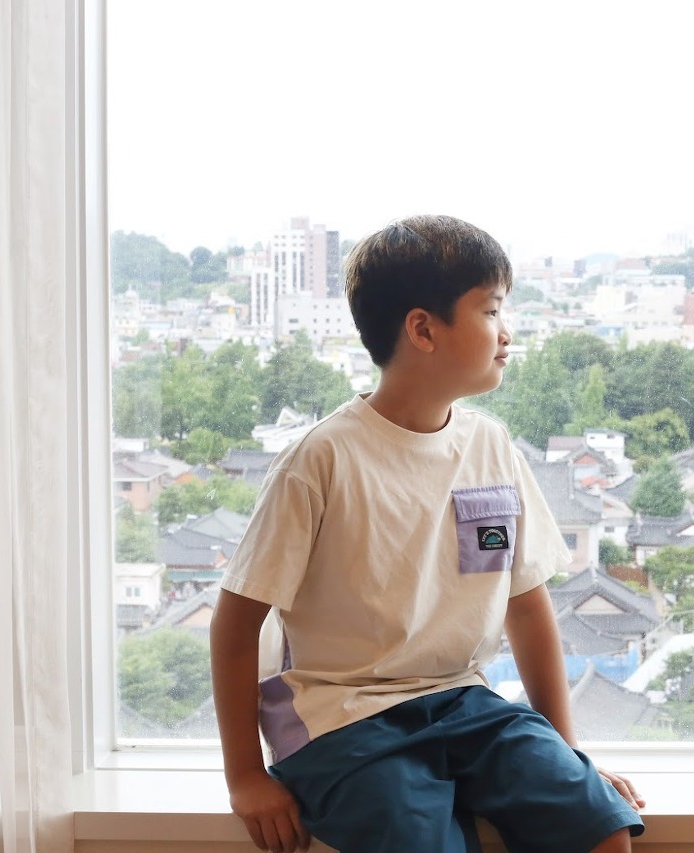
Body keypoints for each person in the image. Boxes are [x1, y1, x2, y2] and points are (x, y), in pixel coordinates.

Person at [210, 214, 646, 853]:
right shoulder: (322, 460)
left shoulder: (490, 446)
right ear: (422, 329)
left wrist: (566, 755)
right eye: (491, 311)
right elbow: (235, 622)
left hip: (463, 702)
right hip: (341, 717)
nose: (507, 332)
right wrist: (245, 776)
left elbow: (527, 607)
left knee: (599, 827)